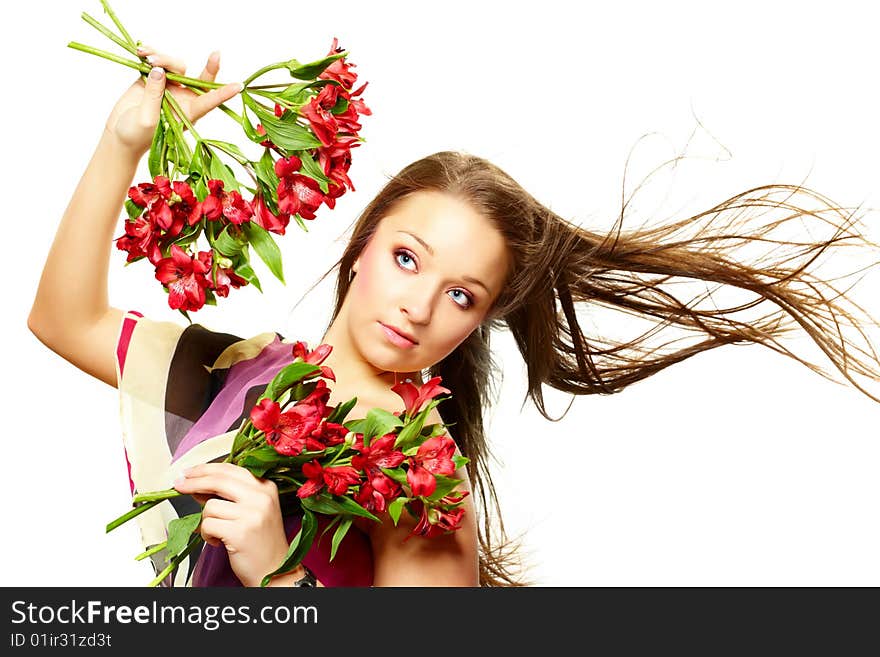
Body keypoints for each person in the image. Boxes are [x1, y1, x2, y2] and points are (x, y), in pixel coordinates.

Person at [28, 45, 880, 588]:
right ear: (361, 246)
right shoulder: (243, 368)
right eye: (408, 258)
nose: (420, 305)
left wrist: (275, 573)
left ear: (475, 323)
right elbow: (63, 320)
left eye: (462, 294)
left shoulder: (420, 481)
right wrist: (124, 143)